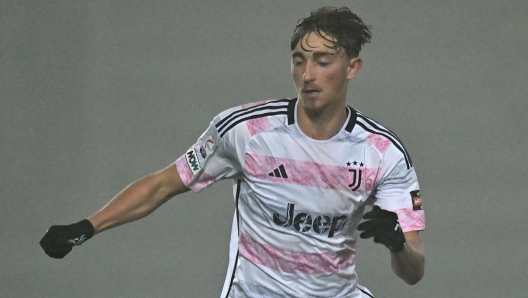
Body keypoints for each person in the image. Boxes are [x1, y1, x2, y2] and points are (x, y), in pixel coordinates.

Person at [40, 6, 425, 298]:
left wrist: (396, 243)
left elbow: (414, 271)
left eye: (322, 61)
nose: (307, 74)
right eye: (298, 60)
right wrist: (87, 227)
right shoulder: (245, 131)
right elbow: (162, 185)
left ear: (352, 68)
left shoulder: (383, 153)